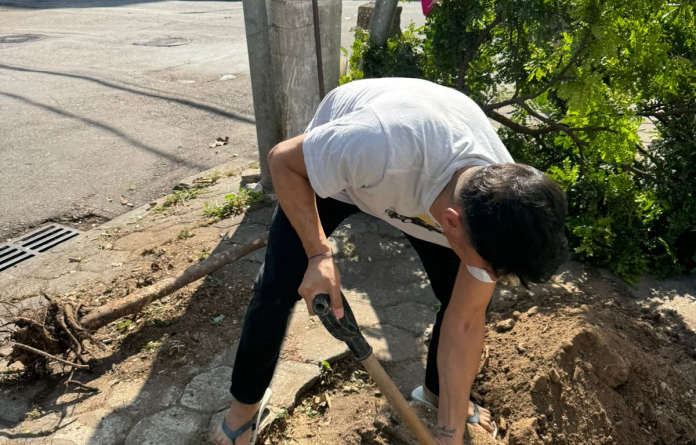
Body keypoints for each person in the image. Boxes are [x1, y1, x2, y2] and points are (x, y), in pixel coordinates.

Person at [214, 78, 567, 445]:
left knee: (462, 301)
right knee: (278, 285)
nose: (491, 276)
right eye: (494, 269)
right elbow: (282, 160)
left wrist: (448, 436)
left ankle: (438, 397)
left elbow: (464, 325)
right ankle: (244, 410)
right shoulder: (374, 145)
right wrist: (319, 254)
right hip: (338, 176)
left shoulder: (499, 209)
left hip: (418, 184)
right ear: (449, 224)